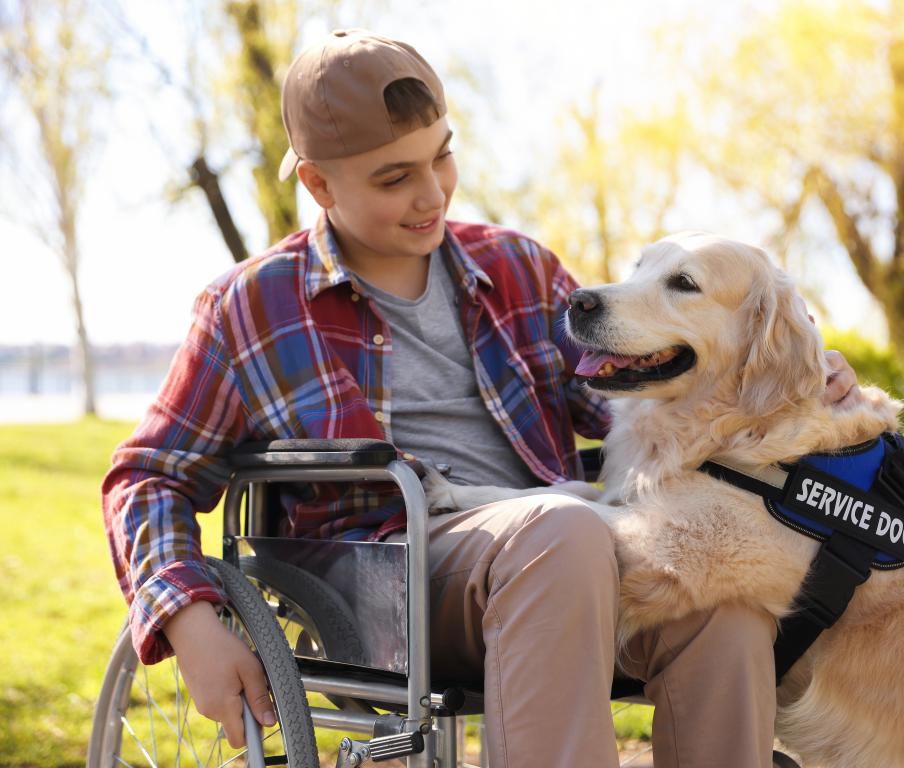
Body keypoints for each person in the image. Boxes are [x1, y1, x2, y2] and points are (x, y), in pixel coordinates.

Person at [102, 29, 862, 767]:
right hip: (387, 583)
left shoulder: (518, 269)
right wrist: (188, 618)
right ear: (319, 184)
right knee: (563, 529)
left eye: (441, 157)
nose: (430, 194)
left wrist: (784, 373)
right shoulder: (252, 305)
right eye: (394, 178)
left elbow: (646, 394)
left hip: (570, 557)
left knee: (719, 608)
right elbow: (148, 475)